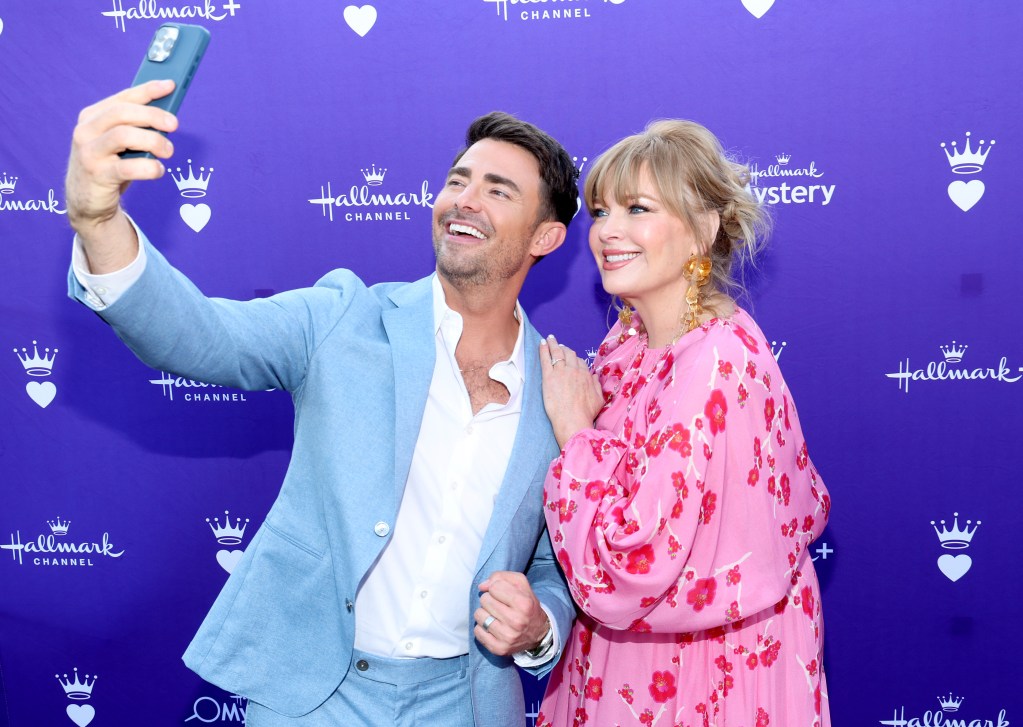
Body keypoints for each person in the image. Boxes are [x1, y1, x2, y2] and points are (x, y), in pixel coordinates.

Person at [64, 80, 576, 727]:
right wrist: (97, 221)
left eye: (498, 191)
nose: (464, 200)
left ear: (545, 237)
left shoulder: (561, 392)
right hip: (314, 696)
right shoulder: (343, 317)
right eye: (458, 180)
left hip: (464, 702)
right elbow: (198, 335)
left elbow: (552, 566)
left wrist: (540, 626)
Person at [535, 120, 831, 726]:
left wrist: (575, 434)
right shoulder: (631, 341)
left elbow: (632, 563)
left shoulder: (715, 364)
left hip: (696, 677)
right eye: (601, 211)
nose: (607, 231)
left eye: (637, 208)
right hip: (630, 660)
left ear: (703, 227)